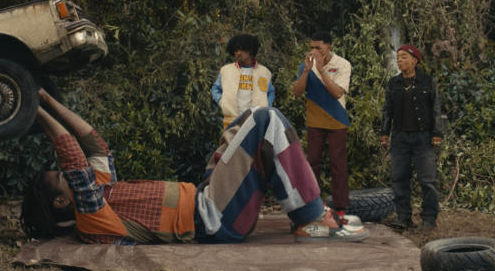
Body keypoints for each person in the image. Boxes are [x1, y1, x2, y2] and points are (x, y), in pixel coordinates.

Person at [20, 88, 368, 245]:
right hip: (211, 221)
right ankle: (310, 219)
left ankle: (305, 208)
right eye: (62, 179)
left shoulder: (102, 188)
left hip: (206, 197)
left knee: (246, 119)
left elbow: (92, 144)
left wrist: (46, 99)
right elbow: (73, 158)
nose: (70, 174)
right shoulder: (92, 219)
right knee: (266, 120)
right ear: (63, 202)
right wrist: (31, 109)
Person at [379, 44, 445, 230]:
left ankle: (429, 219)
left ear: (415, 60)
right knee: (399, 178)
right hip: (400, 137)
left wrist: (437, 133)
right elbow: (387, 110)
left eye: (404, 57)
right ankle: (403, 217)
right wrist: (384, 132)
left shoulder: (426, 81)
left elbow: (436, 108)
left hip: (423, 137)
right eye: (398, 57)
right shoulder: (394, 83)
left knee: (428, 179)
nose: (400, 60)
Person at [291, 30, 353, 219]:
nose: (314, 51)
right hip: (315, 119)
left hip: (337, 119)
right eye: (311, 47)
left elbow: (337, 93)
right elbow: (297, 92)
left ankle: (341, 208)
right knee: (312, 163)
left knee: (338, 164)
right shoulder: (306, 65)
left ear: (328, 46)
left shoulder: (342, 64)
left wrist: (322, 70)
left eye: (318, 47)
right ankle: (314, 206)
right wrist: (307, 71)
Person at [211, 34, 275, 129]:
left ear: (251, 50)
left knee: (255, 144)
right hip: (231, 122)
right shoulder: (226, 70)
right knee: (231, 144)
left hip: (256, 122)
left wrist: (266, 107)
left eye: (242, 49)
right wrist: (222, 101)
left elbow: (270, 92)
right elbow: (215, 89)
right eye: (236, 50)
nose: (238, 53)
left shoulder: (264, 72)